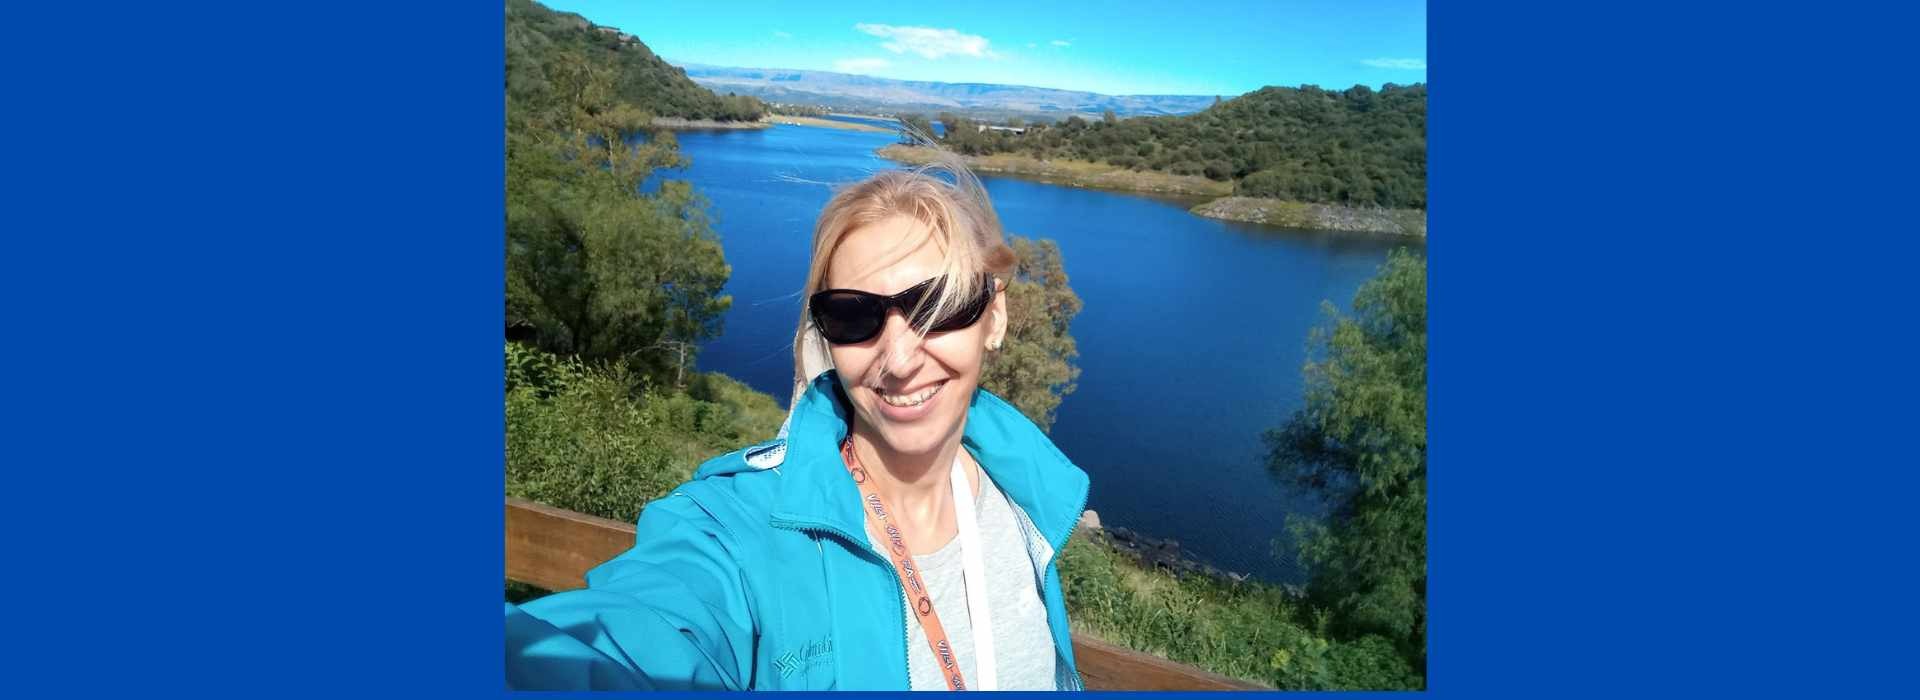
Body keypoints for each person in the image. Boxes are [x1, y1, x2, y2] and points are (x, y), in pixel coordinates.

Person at [504, 158, 1092, 690]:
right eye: (852, 315)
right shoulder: (739, 530)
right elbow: (637, 635)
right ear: (825, 332)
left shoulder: (1022, 495)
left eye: (938, 306)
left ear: (994, 316)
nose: (899, 360)